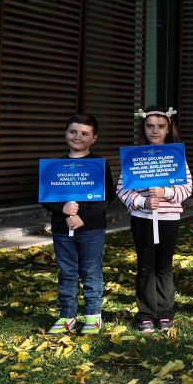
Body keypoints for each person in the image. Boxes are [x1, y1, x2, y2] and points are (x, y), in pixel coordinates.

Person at [116, 106, 193, 333]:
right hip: (142, 218)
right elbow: (122, 189)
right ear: (143, 128)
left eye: (160, 126)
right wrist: (142, 202)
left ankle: (166, 312)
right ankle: (147, 313)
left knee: (164, 266)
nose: (155, 131)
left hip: (169, 219)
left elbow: (186, 188)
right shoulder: (134, 157)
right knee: (146, 265)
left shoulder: (176, 157)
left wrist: (165, 193)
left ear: (168, 129)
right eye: (150, 126)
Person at [43, 113, 113, 336]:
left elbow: (106, 197)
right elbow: (46, 196)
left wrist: (84, 217)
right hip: (62, 229)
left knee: (91, 271)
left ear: (94, 138)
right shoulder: (55, 166)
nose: (77, 137)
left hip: (91, 229)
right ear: (65, 134)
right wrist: (61, 208)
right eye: (73, 131)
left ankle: (93, 316)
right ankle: (67, 316)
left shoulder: (99, 165)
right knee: (67, 272)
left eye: (84, 133)